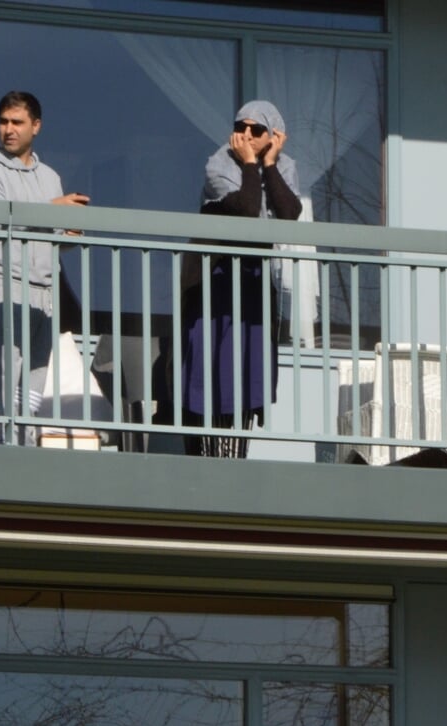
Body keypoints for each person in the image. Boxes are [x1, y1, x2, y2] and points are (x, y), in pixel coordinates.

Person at [180, 100, 302, 458]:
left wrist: (270, 165)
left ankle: (235, 457)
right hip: (213, 279)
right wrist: (251, 163)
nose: (246, 134)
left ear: (275, 135)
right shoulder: (218, 163)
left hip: (252, 280)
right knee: (211, 368)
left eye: (257, 130)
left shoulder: (284, 167)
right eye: (240, 126)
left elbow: (290, 212)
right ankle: (207, 456)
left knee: (246, 371)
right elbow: (248, 209)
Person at [0, 91, 89, 444]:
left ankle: (27, 439)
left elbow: (54, 239)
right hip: (3, 280)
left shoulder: (50, 176)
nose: (8, 129)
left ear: (36, 126)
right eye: (4, 121)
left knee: (35, 376)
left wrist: (71, 231)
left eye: (17, 122)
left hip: (44, 287)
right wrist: (54, 209)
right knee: (5, 370)